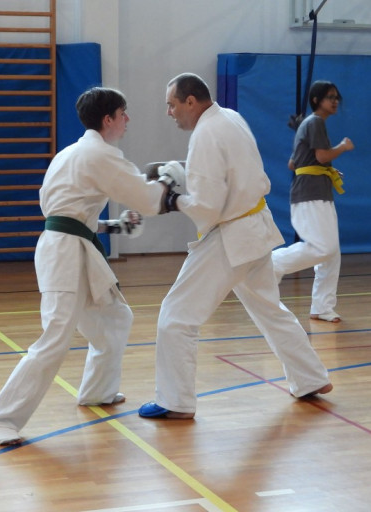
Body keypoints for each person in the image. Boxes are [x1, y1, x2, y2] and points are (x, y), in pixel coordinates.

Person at [0, 87, 170, 445]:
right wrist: (168, 182)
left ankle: (98, 391)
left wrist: (112, 226)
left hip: (71, 246)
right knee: (55, 337)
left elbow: (68, 212)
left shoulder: (69, 154)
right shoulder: (101, 155)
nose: (127, 119)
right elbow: (148, 200)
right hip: (65, 254)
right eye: (123, 113)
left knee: (115, 318)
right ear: (108, 119)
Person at [138, 73, 332, 420]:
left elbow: (207, 207)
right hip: (255, 228)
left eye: (172, 105)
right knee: (269, 309)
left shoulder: (205, 134)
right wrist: (180, 171)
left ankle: (175, 401)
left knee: (176, 315)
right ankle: (311, 377)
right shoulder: (230, 117)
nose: (169, 112)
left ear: (190, 102)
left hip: (231, 238)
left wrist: (171, 199)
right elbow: (226, 173)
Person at [271, 80, 354, 323]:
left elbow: (294, 163)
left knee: (332, 253)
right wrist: (342, 147)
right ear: (316, 100)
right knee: (323, 248)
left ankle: (322, 307)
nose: (335, 101)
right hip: (310, 195)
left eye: (337, 97)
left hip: (318, 193)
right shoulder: (315, 122)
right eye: (330, 97)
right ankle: (272, 263)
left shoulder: (311, 124)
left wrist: (325, 170)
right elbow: (322, 156)